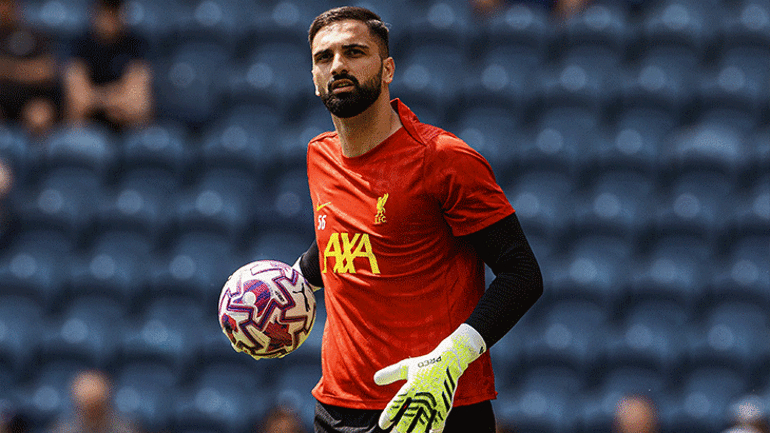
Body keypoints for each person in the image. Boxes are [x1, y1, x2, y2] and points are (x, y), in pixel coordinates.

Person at [288, 7, 543, 433]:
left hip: (434, 405)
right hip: (336, 410)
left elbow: (522, 274)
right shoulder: (320, 155)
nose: (338, 65)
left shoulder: (443, 158)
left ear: (388, 69)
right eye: (324, 57)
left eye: (354, 52)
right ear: (314, 80)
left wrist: (453, 357)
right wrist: (287, 284)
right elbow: (346, 234)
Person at [63, 0, 152, 131]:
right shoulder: (78, 44)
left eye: (114, 11)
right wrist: (117, 98)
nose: (109, 18)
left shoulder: (137, 44)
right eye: (105, 11)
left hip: (127, 125)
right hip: (88, 126)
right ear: (94, 13)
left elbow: (138, 104)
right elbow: (78, 102)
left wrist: (95, 98)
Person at [0, 0, 59, 136]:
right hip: (1, 100)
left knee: (39, 117)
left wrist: (9, 69)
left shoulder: (33, 34)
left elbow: (47, 71)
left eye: (5, 4)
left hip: (31, 99)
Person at [49, 370, 140, 433]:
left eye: (95, 409)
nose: (91, 415)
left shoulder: (126, 429)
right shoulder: (63, 429)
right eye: (87, 409)